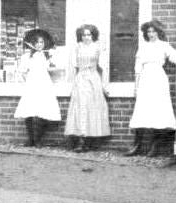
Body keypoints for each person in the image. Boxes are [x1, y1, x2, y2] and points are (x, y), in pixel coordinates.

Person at [125, 20, 176, 157]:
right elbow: (138, 67)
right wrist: (136, 87)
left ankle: (154, 147)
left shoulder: (164, 46)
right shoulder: (143, 47)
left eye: (153, 31)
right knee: (142, 110)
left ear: (158, 32)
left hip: (158, 79)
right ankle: (137, 146)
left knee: (157, 110)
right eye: (149, 32)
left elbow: (175, 57)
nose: (151, 34)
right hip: (145, 79)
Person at [64, 24, 111, 152]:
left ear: (93, 36)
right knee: (81, 107)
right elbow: (74, 67)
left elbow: (103, 68)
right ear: (81, 36)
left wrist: (104, 86)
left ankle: (90, 139)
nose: (86, 37)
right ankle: (81, 139)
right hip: (81, 79)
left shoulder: (97, 48)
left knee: (92, 107)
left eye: (89, 35)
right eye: (84, 35)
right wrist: (72, 84)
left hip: (93, 79)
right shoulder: (77, 48)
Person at [14, 29, 61, 147]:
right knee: (29, 111)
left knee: (44, 110)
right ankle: (31, 139)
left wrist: (52, 57)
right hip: (32, 84)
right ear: (33, 44)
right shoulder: (27, 56)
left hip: (44, 84)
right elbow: (22, 71)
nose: (40, 45)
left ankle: (38, 138)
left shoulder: (47, 56)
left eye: (42, 42)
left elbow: (54, 69)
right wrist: (28, 81)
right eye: (37, 42)